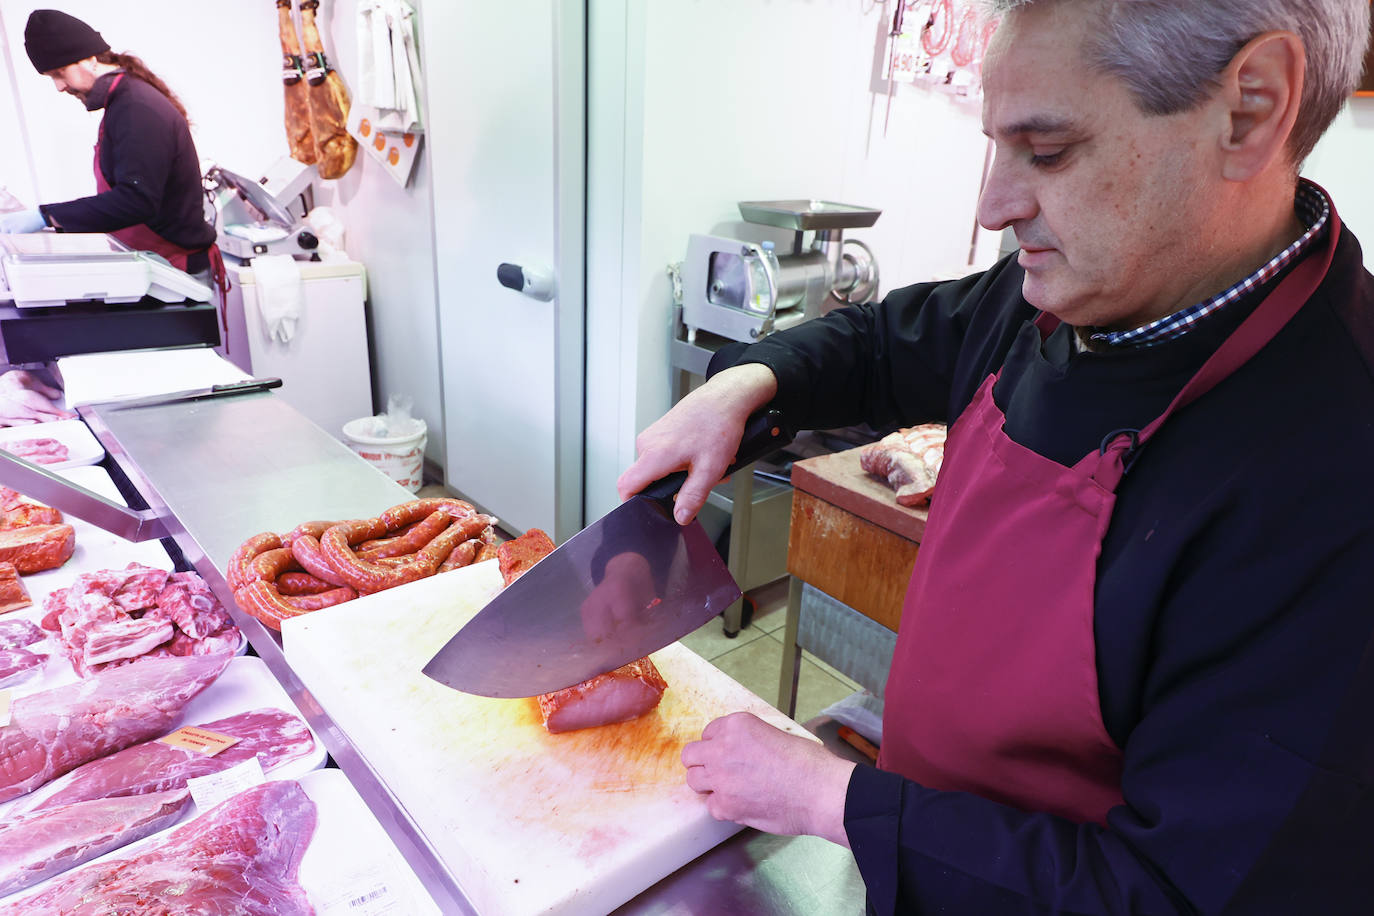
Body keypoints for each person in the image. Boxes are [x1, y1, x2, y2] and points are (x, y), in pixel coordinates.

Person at [618, 0, 1374, 912]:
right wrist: (746, 385)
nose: (992, 208)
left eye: (1047, 151)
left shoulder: (1332, 479)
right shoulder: (1077, 292)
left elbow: (1172, 895)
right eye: (996, 147)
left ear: (1251, 108)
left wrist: (834, 799)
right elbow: (883, 343)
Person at [0, 9, 221, 291]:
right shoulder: (123, 102)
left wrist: (46, 216)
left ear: (90, 60)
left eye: (59, 73)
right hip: (152, 262)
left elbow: (135, 200)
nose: (58, 87)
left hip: (175, 270)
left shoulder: (136, 108)